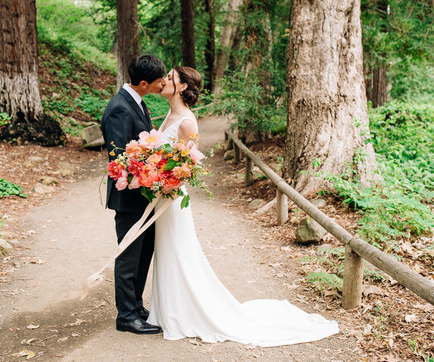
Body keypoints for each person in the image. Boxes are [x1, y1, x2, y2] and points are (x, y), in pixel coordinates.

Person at [146, 66, 340, 346]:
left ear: (182, 88)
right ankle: (167, 310)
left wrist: (167, 180)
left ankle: (182, 314)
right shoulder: (169, 115)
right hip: (161, 196)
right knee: (166, 251)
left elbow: (190, 166)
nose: (164, 81)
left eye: (171, 79)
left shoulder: (187, 122)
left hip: (173, 198)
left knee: (178, 252)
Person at [100, 54, 166, 335]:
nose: (162, 85)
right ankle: (126, 315)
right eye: (159, 81)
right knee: (128, 255)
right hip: (129, 197)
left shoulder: (137, 102)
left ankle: (136, 305)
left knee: (144, 253)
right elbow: (120, 158)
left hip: (145, 195)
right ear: (143, 82)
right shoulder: (119, 108)